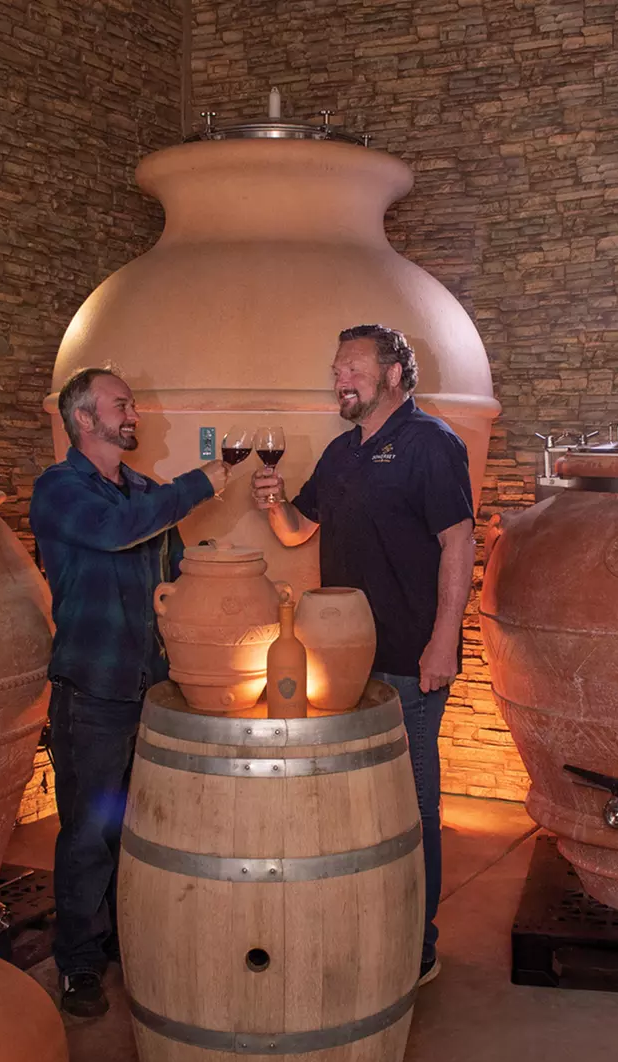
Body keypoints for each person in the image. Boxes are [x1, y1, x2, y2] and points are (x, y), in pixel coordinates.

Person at [251, 324, 474, 986]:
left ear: (393, 375)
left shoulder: (430, 444)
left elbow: (457, 544)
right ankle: (365, 925)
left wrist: (443, 641)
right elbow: (299, 529)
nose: (338, 377)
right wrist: (274, 506)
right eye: (335, 368)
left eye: (351, 366)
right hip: (340, 660)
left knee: (410, 803)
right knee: (351, 802)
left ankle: (416, 945)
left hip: (408, 657)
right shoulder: (342, 452)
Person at [30, 367, 232, 1019]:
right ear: (85, 419)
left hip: (151, 687)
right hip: (91, 687)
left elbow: (173, 578)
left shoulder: (143, 489)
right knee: (88, 830)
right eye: (121, 403)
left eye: (133, 402)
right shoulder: (59, 490)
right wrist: (202, 482)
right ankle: (79, 962)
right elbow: (118, 530)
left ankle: (124, 935)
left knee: (142, 825)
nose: (133, 411)